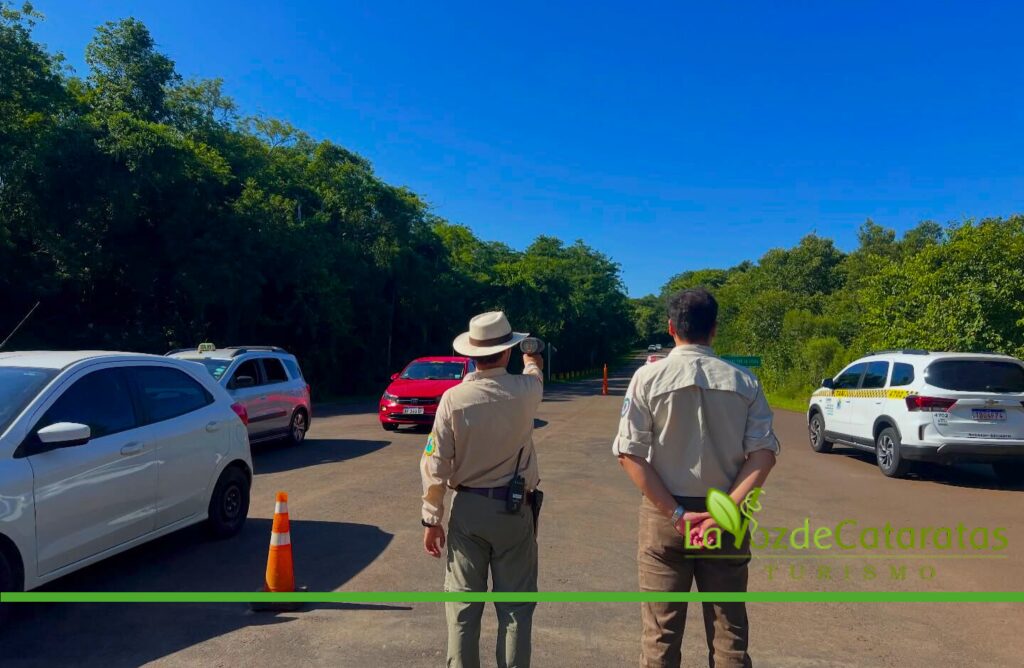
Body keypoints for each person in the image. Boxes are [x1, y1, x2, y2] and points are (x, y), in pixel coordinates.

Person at [613, 288, 779, 668]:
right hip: (726, 516)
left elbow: (629, 454)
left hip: (665, 515)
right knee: (729, 635)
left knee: (660, 637)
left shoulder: (647, 378)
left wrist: (675, 514)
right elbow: (763, 455)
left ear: (671, 327)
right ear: (714, 329)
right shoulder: (745, 382)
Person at [421, 311, 545, 668]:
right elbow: (535, 375)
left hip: (469, 508)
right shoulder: (526, 391)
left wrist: (431, 518)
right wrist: (531, 358)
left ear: (471, 353)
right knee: (515, 609)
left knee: (463, 607)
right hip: (514, 509)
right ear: (507, 352)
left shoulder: (453, 399)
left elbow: (435, 462)